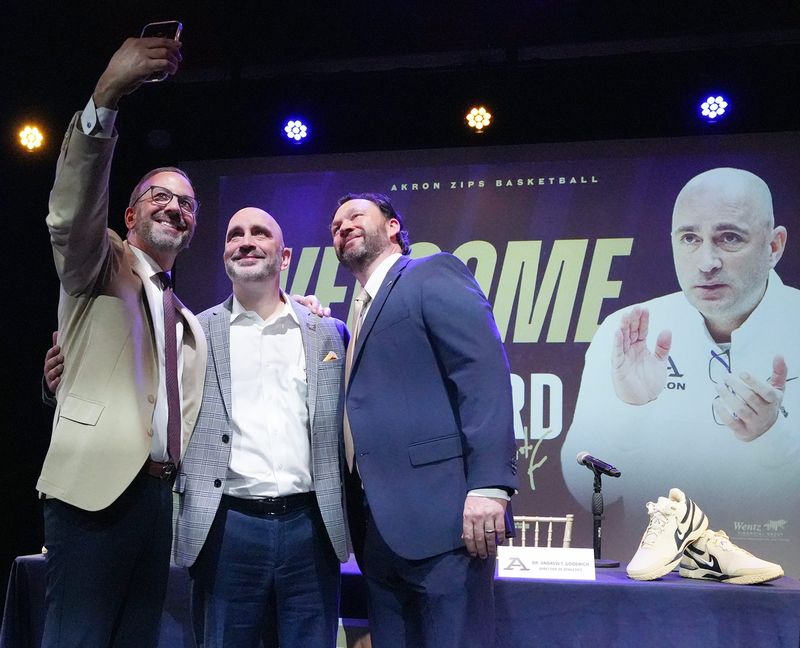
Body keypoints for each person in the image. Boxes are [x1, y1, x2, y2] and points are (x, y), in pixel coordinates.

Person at [39, 37, 207, 647]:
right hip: (93, 495)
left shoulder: (186, 321)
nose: (176, 208)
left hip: (157, 505)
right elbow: (71, 210)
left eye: (187, 203)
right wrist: (105, 97)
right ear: (130, 217)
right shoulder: (100, 258)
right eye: (159, 196)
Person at [561, 167, 799, 568]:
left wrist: (774, 438)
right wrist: (629, 409)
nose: (707, 262)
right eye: (690, 238)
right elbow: (585, 491)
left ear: (774, 246)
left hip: (785, 583)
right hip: (658, 585)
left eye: (729, 238)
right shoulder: (631, 331)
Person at [330, 192, 518, 648]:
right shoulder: (356, 312)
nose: (343, 227)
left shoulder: (431, 272)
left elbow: (482, 374)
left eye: (356, 215)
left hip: (445, 521)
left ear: (393, 227)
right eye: (335, 226)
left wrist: (490, 486)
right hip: (377, 528)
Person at [172, 207, 349, 647]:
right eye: (235, 235)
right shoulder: (193, 332)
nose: (245, 241)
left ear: (285, 257)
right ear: (225, 255)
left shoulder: (328, 333)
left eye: (259, 233)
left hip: (311, 526)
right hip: (227, 526)